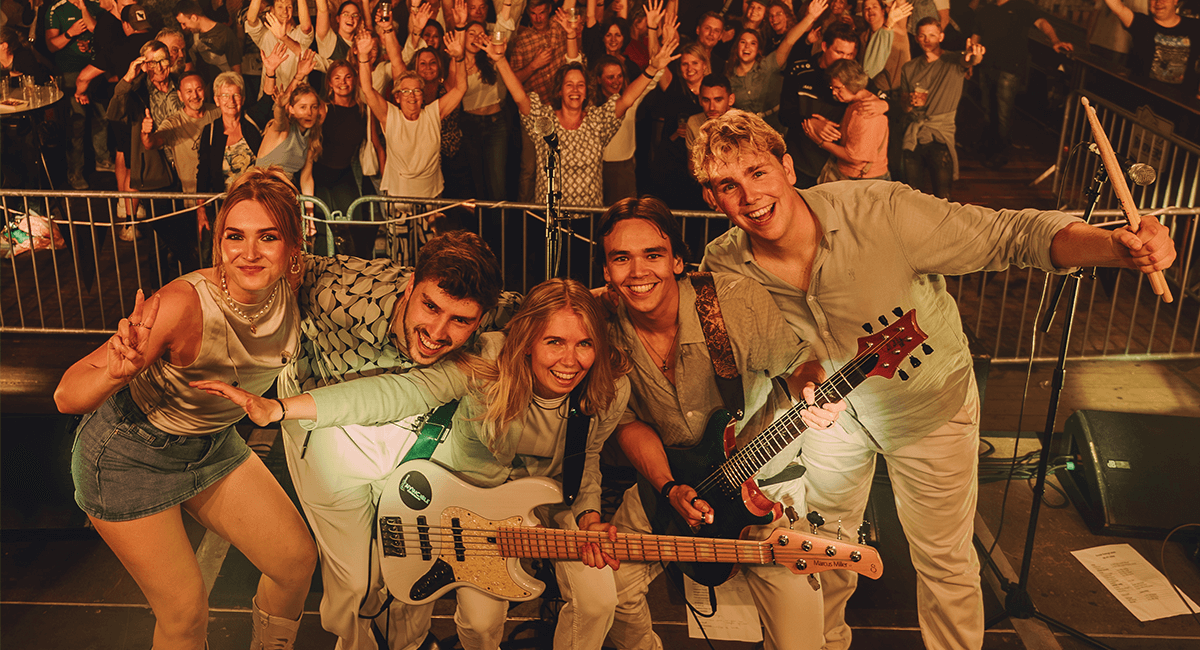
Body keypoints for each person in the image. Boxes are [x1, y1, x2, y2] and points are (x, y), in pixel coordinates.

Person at [693, 109, 1177, 650]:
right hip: (829, 426)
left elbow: (1010, 234)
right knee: (824, 552)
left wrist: (1113, 247)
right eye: (726, 186)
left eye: (758, 172)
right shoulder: (725, 264)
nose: (749, 195)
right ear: (713, 200)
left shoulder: (882, 212)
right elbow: (771, 351)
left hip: (928, 409)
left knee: (944, 562)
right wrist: (801, 372)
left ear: (788, 166)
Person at [198, 277, 629, 650]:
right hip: (475, 513)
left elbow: (588, 459)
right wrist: (281, 409)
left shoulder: (609, 390)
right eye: (555, 341)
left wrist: (590, 517)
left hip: (559, 507)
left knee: (599, 600)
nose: (570, 361)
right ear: (530, 339)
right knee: (479, 622)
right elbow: (395, 394)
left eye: (584, 344)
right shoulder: (489, 363)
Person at [54, 167, 318, 650]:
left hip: (212, 444)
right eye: (235, 236)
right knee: (185, 612)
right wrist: (115, 371)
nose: (249, 253)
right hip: (129, 454)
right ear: (218, 242)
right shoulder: (180, 304)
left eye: (268, 237)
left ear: (293, 246)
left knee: (295, 560)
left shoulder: (296, 282)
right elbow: (66, 395)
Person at [595, 196, 843, 650]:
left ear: (677, 260)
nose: (638, 271)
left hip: (763, 486)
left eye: (652, 255)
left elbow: (798, 365)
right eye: (621, 259)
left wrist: (813, 390)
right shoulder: (604, 328)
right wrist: (669, 487)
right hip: (664, 484)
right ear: (607, 272)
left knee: (801, 643)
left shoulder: (734, 302)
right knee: (607, 590)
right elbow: (628, 423)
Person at [489, 14, 676, 208]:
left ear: (587, 91)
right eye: (569, 85)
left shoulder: (598, 121)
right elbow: (520, 97)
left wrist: (653, 68)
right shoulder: (544, 120)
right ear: (559, 90)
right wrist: (501, 60)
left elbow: (627, 99)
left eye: (580, 85)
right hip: (550, 221)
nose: (575, 90)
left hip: (587, 220)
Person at [971, 0, 1072, 168]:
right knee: (988, 109)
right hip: (986, 65)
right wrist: (969, 63)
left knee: (1003, 112)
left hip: (1010, 67)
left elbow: (1042, 23)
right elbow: (976, 37)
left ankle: (1000, 153)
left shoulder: (1022, 6)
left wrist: (1055, 40)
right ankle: (988, 147)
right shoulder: (986, 9)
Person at [899, 18, 983, 198]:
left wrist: (975, 54)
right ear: (916, 38)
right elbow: (904, 107)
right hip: (914, 135)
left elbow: (970, 60)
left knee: (943, 198)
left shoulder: (952, 61)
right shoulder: (909, 67)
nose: (927, 40)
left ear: (941, 36)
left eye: (932, 35)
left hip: (940, 136)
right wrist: (909, 101)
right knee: (912, 195)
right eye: (922, 36)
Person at [779, 21, 859, 188]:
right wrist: (809, 122)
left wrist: (883, 105)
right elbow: (785, 114)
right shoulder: (800, 70)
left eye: (849, 55)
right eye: (839, 52)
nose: (844, 60)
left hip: (834, 170)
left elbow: (877, 98)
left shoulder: (854, 76)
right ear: (824, 46)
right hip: (799, 162)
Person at [726, 0, 826, 134]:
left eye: (753, 43)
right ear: (736, 47)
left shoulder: (769, 64)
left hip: (776, 126)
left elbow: (789, 41)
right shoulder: (729, 78)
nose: (747, 47)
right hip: (748, 131)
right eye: (743, 42)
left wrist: (810, 16)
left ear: (758, 49)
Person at [46, 0, 112, 189]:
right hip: (70, 73)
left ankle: (103, 160)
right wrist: (70, 33)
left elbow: (101, 36)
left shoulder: (93, 6)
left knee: (103, 117)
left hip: (96, 70)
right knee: (77, 124)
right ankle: (75, 172)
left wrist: (89, 46)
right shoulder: (55, 9)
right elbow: (51, 45)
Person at [814, 58, 890, 181]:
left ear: (853, 84)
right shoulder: (855, 102)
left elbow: (854, 158)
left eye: (838, 88)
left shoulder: (864, 111)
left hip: (865, 179)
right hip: (856, 175)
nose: (834, 92)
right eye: (832, 87)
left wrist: (820, 141)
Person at [1101, 0, 1199, 88]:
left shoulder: (1194, 27)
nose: (1158, 2)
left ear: (1175, 1)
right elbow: (1117, 7)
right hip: (1143, 99)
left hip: (1180, 102)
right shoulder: (1142, 23)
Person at [175, 0, 243, 87]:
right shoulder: (192, 36)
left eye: (184, 23)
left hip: (223, 87)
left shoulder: (224, 33)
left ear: (194, 18)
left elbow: (236, 69)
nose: (183, 27)